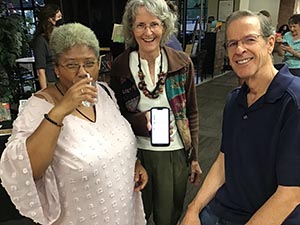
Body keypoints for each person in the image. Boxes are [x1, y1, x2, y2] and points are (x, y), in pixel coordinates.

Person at [0, 23, 148, 225]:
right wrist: (61, 110)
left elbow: (114, 139)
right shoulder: (39, 106)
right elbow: (26, 168)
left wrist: (134, 163)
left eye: (89, 63)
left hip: (122, 209)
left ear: (99, 64)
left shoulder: (104, 92)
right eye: (71, 65)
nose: (82, 73)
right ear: (56, 69)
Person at [181, 10, 300, 225]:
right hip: (223, 208)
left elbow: (290, 194)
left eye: (249, 40)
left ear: (270, 43)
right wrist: (193, 208)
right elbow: (224, 159)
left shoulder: (294, 103)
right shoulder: (235, 100)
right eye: (232, 43)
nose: (240, 50)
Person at [109, 0, 202, 224]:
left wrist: (194, 157)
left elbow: (192, 112)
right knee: (135, 214)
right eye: (140, 25)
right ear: (131, 28)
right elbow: (114, 117)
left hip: (175, 152)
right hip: (136, 153)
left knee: (169, 216)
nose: (148, 32)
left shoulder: (182, 63)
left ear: (165, 26)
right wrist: (141, 122)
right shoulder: (121, 66)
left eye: (154, 24)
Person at [32, 4, 63, 89]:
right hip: (52, 83)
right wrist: (45, 92)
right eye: (59, 17)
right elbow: (41, 70)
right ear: (50, 19)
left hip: (62, 80)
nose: (61, 21)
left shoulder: (58, 37)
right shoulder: (41, 41)